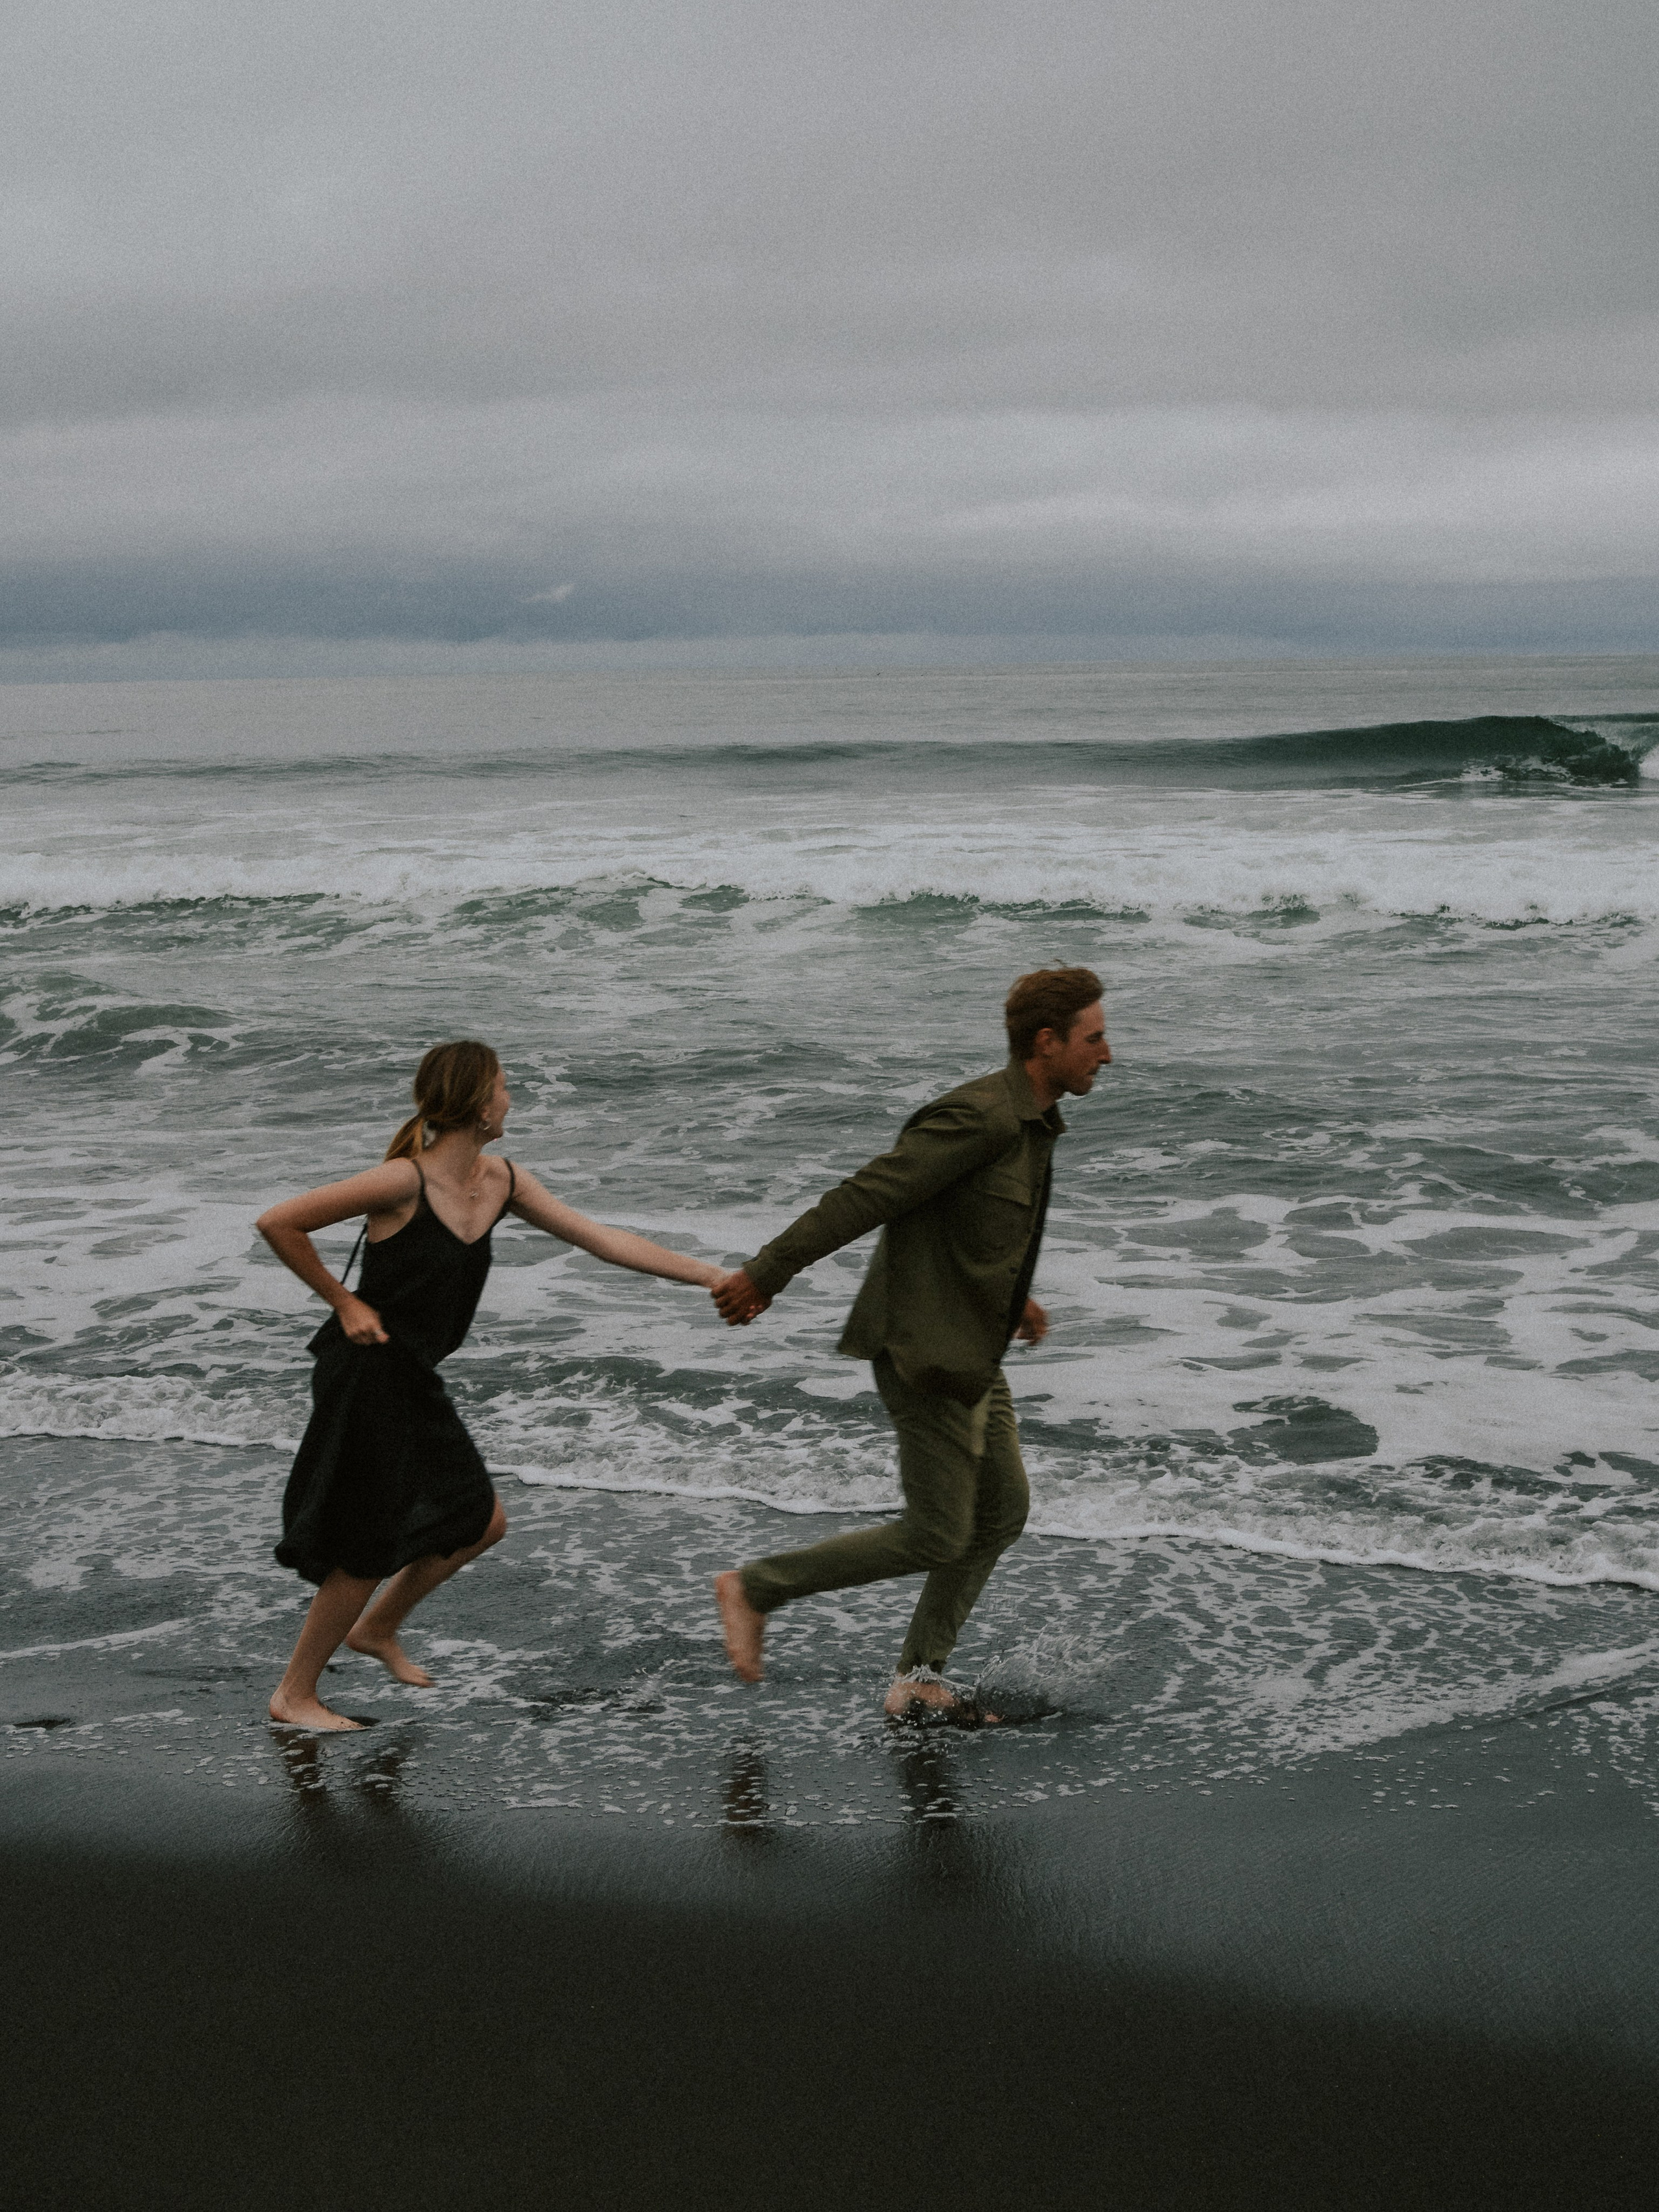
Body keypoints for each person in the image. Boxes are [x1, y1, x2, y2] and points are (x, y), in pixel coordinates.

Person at [257, 1039, 723, 1731]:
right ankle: (295, 1694)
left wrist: (714, 1276)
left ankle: (376, 1628)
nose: (511, 1099)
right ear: (480, 1105)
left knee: (481, 1520)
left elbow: (602, 1239)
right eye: (505, 1087)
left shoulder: (502, 1180)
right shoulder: (402, 1181)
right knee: (367, 1539)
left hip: (412, 1372)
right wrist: (345, 1301)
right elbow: (279, 1221)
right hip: (367, 1370)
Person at [710, 968, 1111, 1718]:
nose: (1108, 1052)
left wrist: (1012, 1294)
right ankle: (755, 1586)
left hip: (974, 1347)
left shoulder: (1033, 1122)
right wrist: (767, 1271)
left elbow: (970, 1219)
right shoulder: (981, 1117)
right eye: (1094, 1037)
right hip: (925, 1351)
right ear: (1046, 1041)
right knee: (936, 1531)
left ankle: (918, 1676)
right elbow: (870, 1194)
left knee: (1002, 1510)